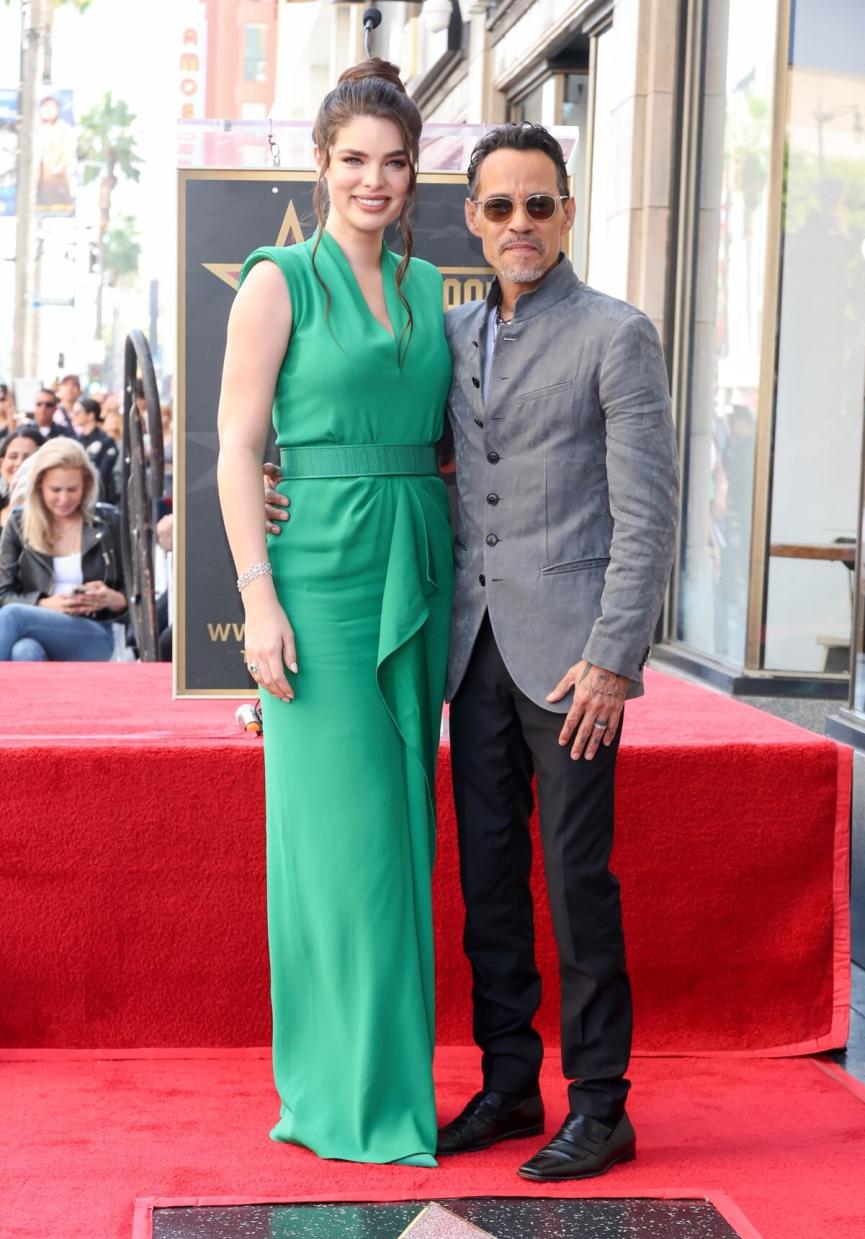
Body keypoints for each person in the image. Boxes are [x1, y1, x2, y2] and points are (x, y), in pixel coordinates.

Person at [266, 121, 680, 1181]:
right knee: (489, 877)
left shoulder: (618, 333)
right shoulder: (448, 332)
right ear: (472, 220)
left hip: (574, 660)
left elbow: (648, 514)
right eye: (498, 208)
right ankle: (507, 1085)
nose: (519, 225)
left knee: (576, 877)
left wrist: (616, 656)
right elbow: (388, 439)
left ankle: (601, 1102)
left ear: (568, 212)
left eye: (539, 204)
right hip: (470, 651)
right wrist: (285, 485)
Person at [217, 59, 452, 1167]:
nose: (374, 179)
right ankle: (340, 1096)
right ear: (320, 168)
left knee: (405, 835)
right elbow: (232, 448)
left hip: (416, 565)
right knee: (342, 848)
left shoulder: (426, 290)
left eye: (394, 162)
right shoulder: (278, 281)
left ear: (414, 176)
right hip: (316, 580)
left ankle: (399, 1086)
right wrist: (256, 600)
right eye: (353, 160)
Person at [0, 437, 127, 661]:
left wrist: (111, 598)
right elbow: (4, 593)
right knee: (25, 651)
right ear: (40, 485)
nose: (64, 499)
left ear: (86, 484)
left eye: (72, 490)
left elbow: (138, 596)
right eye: (55, 490)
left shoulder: (110, 521)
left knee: (12, 616)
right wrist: (43, 603)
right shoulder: (19, 523)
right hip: (35, 627)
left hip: (97, 632)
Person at [71, 396, 120, 503]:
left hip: (99, 496)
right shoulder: (75, 441)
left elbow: (102, 473)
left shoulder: (106, 441)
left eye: (78, 412)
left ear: (90, 415)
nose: (73, 416)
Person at [0, 426, 43, 530]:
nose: (19, 463)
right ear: (1, 464)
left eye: (28, 458)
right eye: (13, 456)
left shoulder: (52, 511)